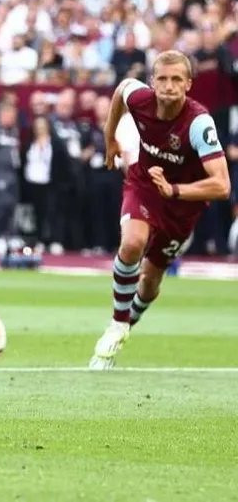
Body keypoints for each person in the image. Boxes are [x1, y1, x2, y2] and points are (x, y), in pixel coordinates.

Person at [91, 51, 230, 370]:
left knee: (150, 281)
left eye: (176, 79)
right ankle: (117, 325)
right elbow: (121, 90)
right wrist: (110, 137)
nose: (169, 86)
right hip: (144, 184)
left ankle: (127, 323)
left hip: (182, 205)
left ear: (188, 85)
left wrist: (176, 190)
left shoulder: (198, 123)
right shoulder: (139, 98)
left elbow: (222, 185)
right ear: (153, 82)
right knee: (132, 244)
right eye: (163, 79)